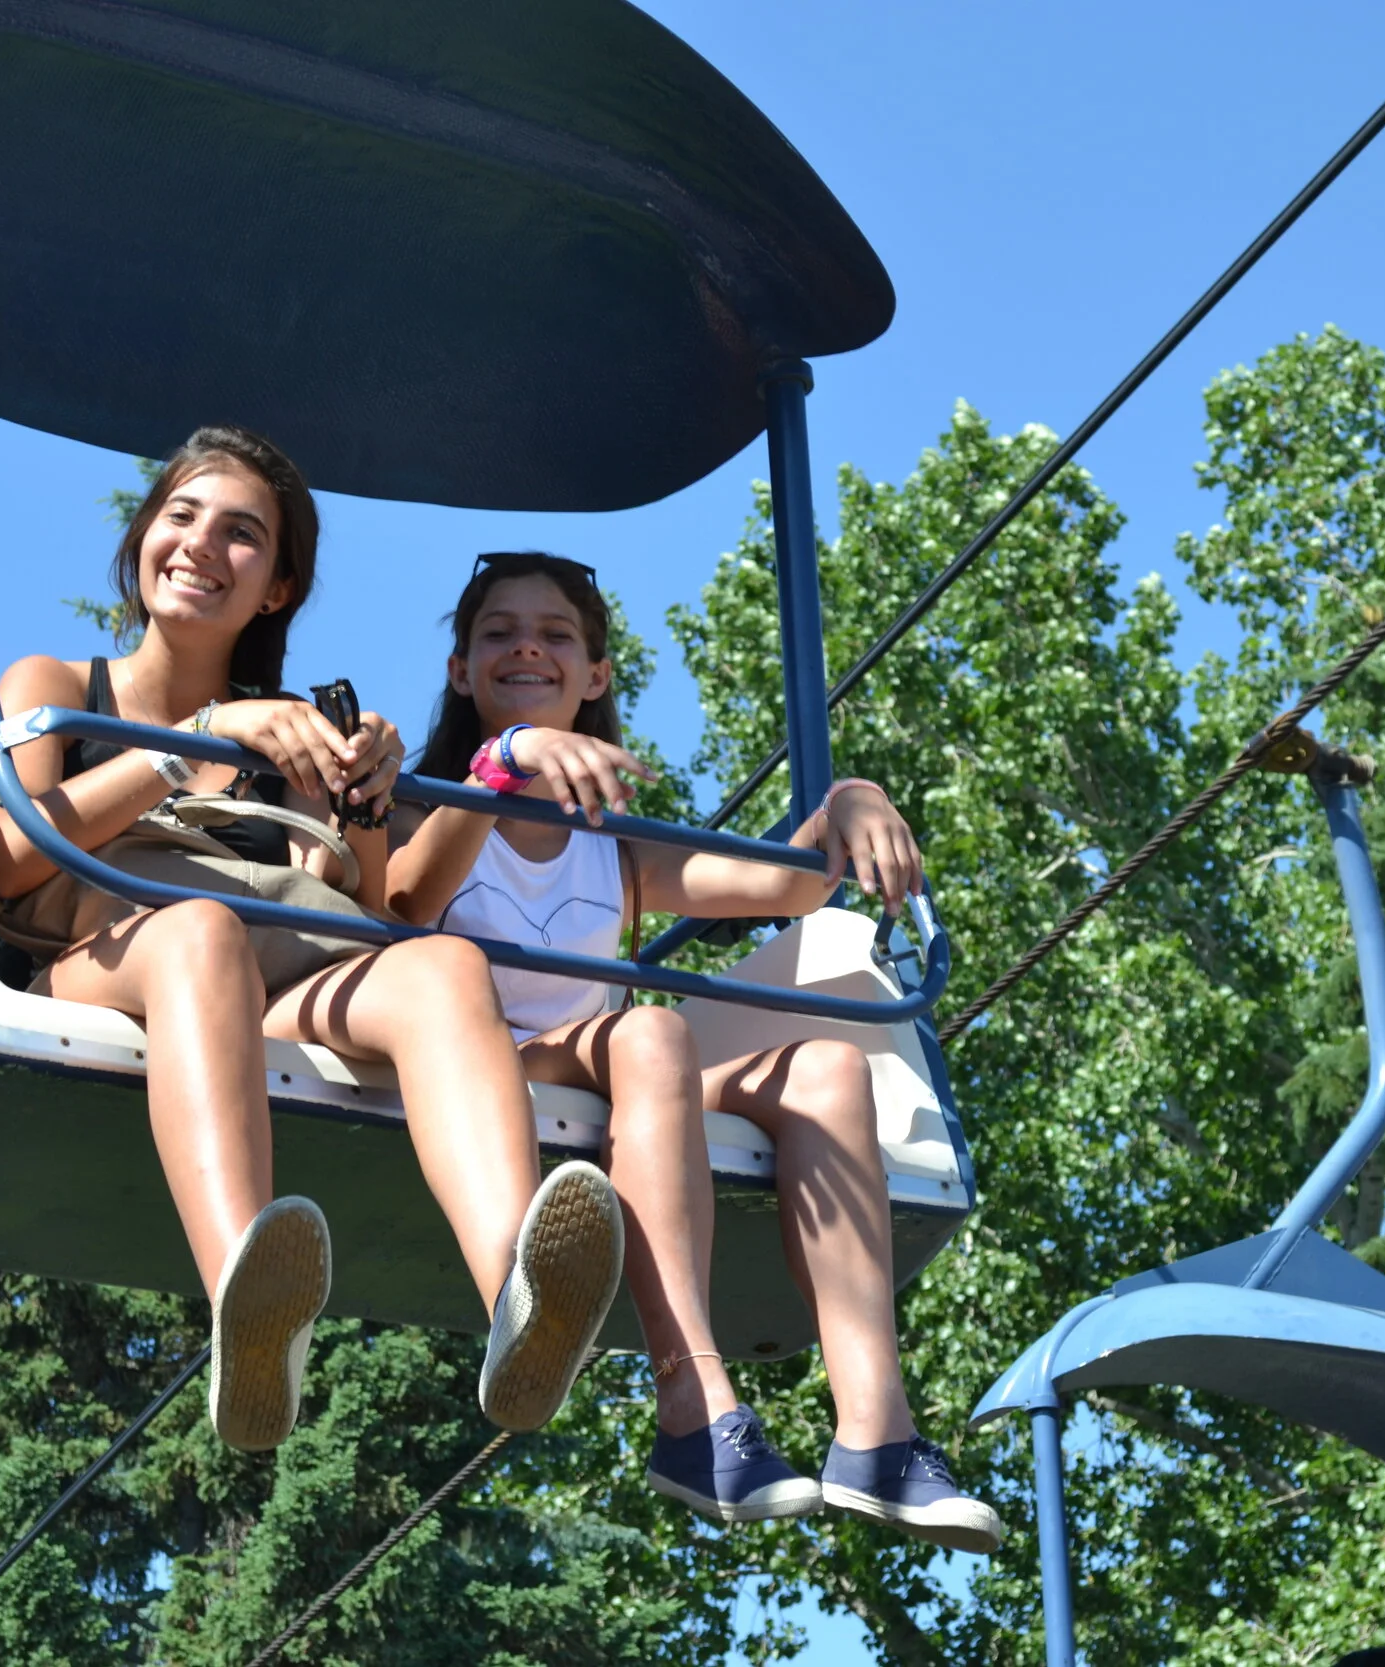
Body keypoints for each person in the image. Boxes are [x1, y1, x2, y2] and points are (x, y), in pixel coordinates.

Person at [0, 442, 621, 1454]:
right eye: (183, 516)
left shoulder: (293, 733)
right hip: (103, 954)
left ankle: (518, 1295)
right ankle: (247, 1302)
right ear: (143, 537)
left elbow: (369, 910)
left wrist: (366, 797)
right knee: (201, 932)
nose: (202, 545)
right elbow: (6, 853)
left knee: (444, 965)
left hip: (266, 968)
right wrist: (195, 739)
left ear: (276, 588)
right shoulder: (56, 682)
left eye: (241, 534)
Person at [384, 551, 1002, 1553]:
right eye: (499, 632)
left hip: (617, 1068)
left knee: (827, 1069)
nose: (527, 647)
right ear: (461, 670)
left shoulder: (614, 842)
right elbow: (407, 897)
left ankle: (877, 1434)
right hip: (491, 1072)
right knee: (651, 1027)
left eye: (555, 634)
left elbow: (782, 884)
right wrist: (507, 763)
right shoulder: (425, 803)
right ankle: (693, 1403)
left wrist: (849, 798)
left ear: (595, 674)